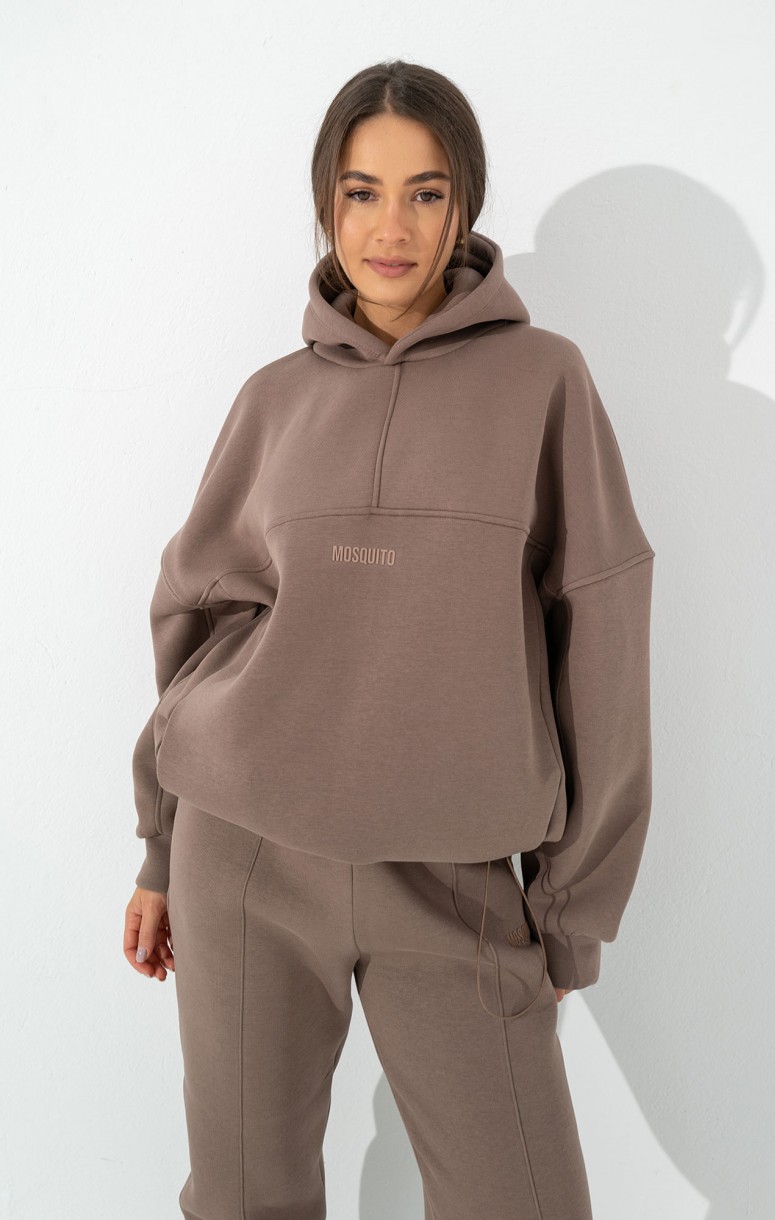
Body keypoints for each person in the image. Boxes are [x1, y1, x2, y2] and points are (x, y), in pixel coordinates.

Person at [123, 58, 655, 1220]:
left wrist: (570, 912)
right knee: (244, 1201)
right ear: (327, 202)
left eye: (425, 192)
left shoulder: (544, 381)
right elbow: (197, 615)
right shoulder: (273, 397)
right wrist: (161, 848)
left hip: (454, 881)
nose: (391, 228)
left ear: (465, 202)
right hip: (245, 857)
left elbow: (604, 640)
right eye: (361, 192)